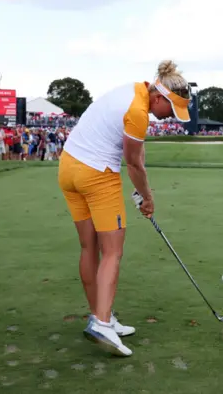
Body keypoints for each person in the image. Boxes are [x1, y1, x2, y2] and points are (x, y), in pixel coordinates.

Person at [57, 60, 191, 357]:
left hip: (68, 168)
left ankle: (100, 316)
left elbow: (136, 151)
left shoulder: (135, 91)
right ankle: (102, 323)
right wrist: (148, 197)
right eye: (170, 111)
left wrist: (143, 192)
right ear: (160, 98)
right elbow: (132, 164)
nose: (169, 118)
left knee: (89, 247)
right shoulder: (138, 111)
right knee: (113, 251)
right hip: (96, 174)